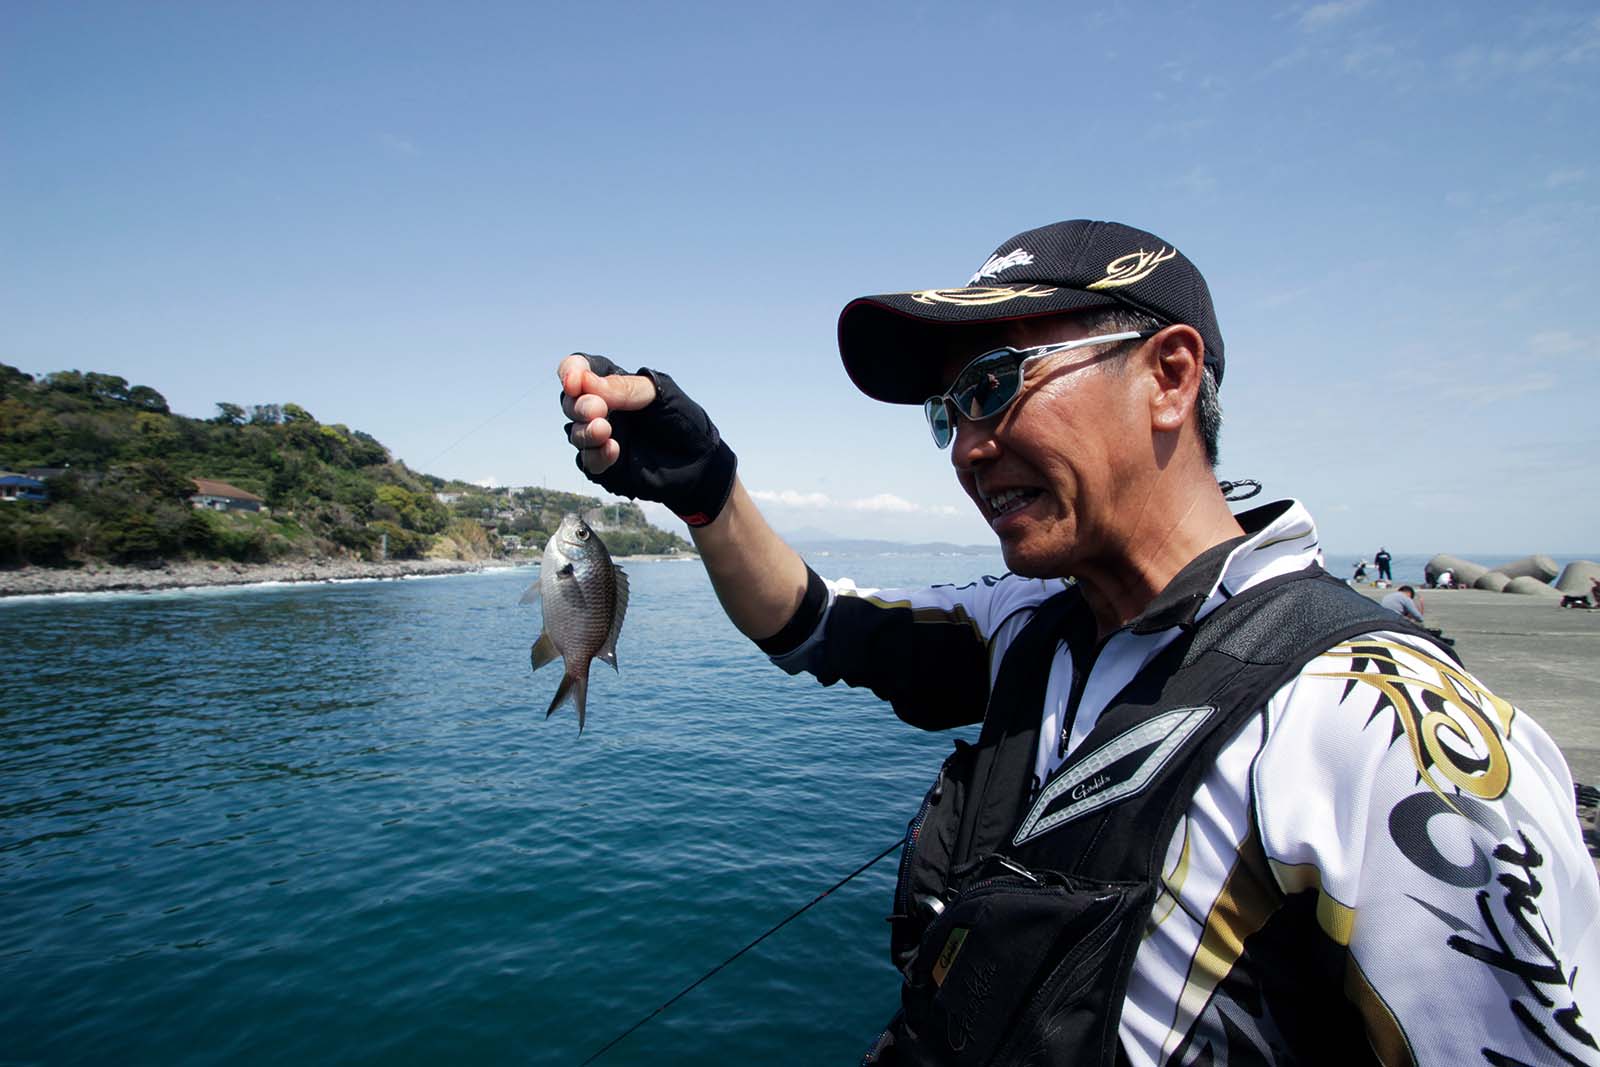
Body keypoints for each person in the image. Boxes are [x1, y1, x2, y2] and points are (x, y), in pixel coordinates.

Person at [555, 219, 1598, 1064]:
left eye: (994, 385)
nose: (967, 445)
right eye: (945, 412)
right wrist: (703, 486)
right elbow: (814, 620)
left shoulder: (1373, 722)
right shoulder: (1030, 627)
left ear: (1170, 376)